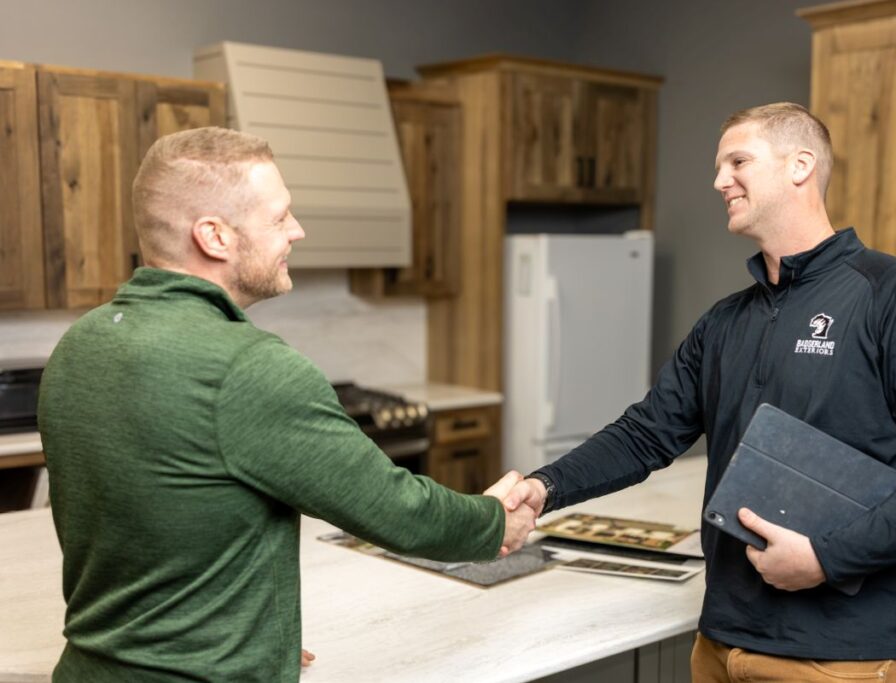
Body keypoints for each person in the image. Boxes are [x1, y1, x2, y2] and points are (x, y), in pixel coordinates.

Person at [501, 102, 896, 681]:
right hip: (720, 644)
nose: (719, 181)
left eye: (738, 161)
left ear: (801, 165)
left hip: (843, 656)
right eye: (719, 167)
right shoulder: (724, 322)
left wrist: (827, 558)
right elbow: (645, 434)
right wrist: (544, 488)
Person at [38, 126, 536, 683]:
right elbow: (396, 511)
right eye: (279, 218)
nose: (297, 231)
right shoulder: (250, 367)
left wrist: (249, 635)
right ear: (215, 237)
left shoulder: (79, 346)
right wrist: (494, 522)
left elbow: (153, 528)